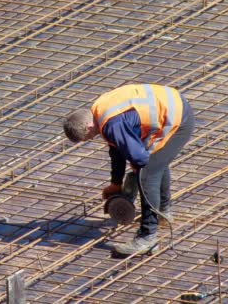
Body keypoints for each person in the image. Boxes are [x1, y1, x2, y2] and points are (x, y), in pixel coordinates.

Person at [63, 84, 195, 255]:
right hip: (173, 107)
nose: (89, 139)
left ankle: (147, 237)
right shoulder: (100, 110)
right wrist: (116, 184)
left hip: (177, 121)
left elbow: (140, 159)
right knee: (156, 163)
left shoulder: (112, 123)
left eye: (87, 138)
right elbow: (116, 148)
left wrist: (134, 177)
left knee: (147, 174)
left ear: (88, 127)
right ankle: (163, 212)